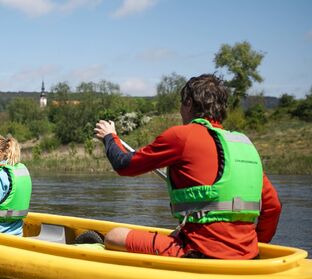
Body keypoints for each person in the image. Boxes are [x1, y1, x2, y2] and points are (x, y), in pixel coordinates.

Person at [93, 74, 282, 259]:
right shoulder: (244, 146)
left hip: (199, 252)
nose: (181, 111)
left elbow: (124, 165)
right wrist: (254, 249)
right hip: (248, 254)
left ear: (189, 103)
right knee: (176, 234)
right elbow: (273, 207)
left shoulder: (181, 136)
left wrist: (110, 136)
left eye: (182, 105)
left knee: (114, 236)